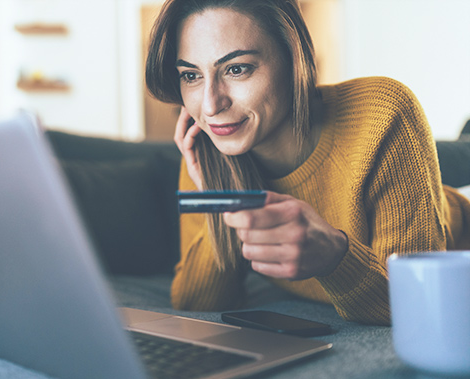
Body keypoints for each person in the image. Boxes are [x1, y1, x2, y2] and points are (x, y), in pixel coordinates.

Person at [145, 0, 470, 325]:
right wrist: (219, 200)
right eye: (191, 75)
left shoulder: (383, 114)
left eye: (236, 69)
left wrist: (334, 257)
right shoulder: (208, 148)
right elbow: (195, 302)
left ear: (293, 58)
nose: (211, 105)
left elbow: (417, 306)